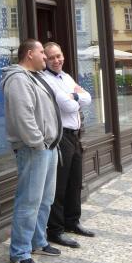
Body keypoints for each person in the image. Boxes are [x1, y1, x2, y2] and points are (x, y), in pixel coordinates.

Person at [1, 38, 62, 263]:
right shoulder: (18, 78)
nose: (45, 57)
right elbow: (23, 116)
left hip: (48, 147)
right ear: (29, 54)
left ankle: (38, 241)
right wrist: (38, 143)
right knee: (28, 201)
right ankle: (20, 252)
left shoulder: (34, 77)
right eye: (42, 53)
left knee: (45, 199)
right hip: (34, 149)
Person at [40, 42, 95, 248]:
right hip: (61, 135)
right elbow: (69, 106)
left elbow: (88, 98)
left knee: (75, 181)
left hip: (75, 135)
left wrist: (76, 96)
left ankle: (73, 221)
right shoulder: (47, 80)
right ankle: (55, 230)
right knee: (59, 185)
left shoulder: (66, 77)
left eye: (59, 55)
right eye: (51, 57)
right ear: (45, 59)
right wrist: (76, 96)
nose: (57, 60)